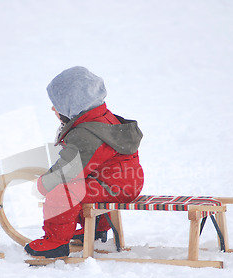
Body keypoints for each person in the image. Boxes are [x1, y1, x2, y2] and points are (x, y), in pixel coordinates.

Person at [25, 66, 144, 258]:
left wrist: (44, 184)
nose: (53, 109)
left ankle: (55, 242)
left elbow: (67, 170)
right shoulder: (101, 119)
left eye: (58, 105)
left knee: (63, 191)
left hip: (115, 187)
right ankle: (96, 228)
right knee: (84, 183)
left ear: (72, 105)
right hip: (122, 182)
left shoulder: (87, 133)